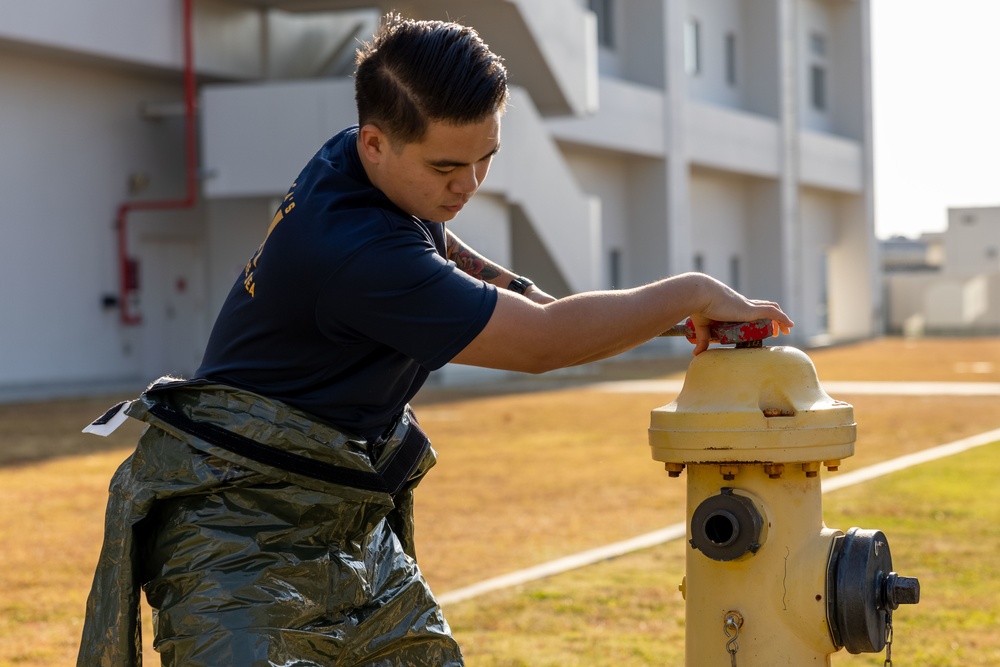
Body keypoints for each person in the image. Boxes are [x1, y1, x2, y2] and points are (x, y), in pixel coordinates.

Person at [78, 14, 793, 667]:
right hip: (234, 535)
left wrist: (648, 317)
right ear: (377, 142)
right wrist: (693, 290)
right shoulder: (357, 253)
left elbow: (454, 258)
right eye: (447, 168)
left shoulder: (358, 166)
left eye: (485, 157)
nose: (470, 184)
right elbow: (542, 344)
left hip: (341, 518)